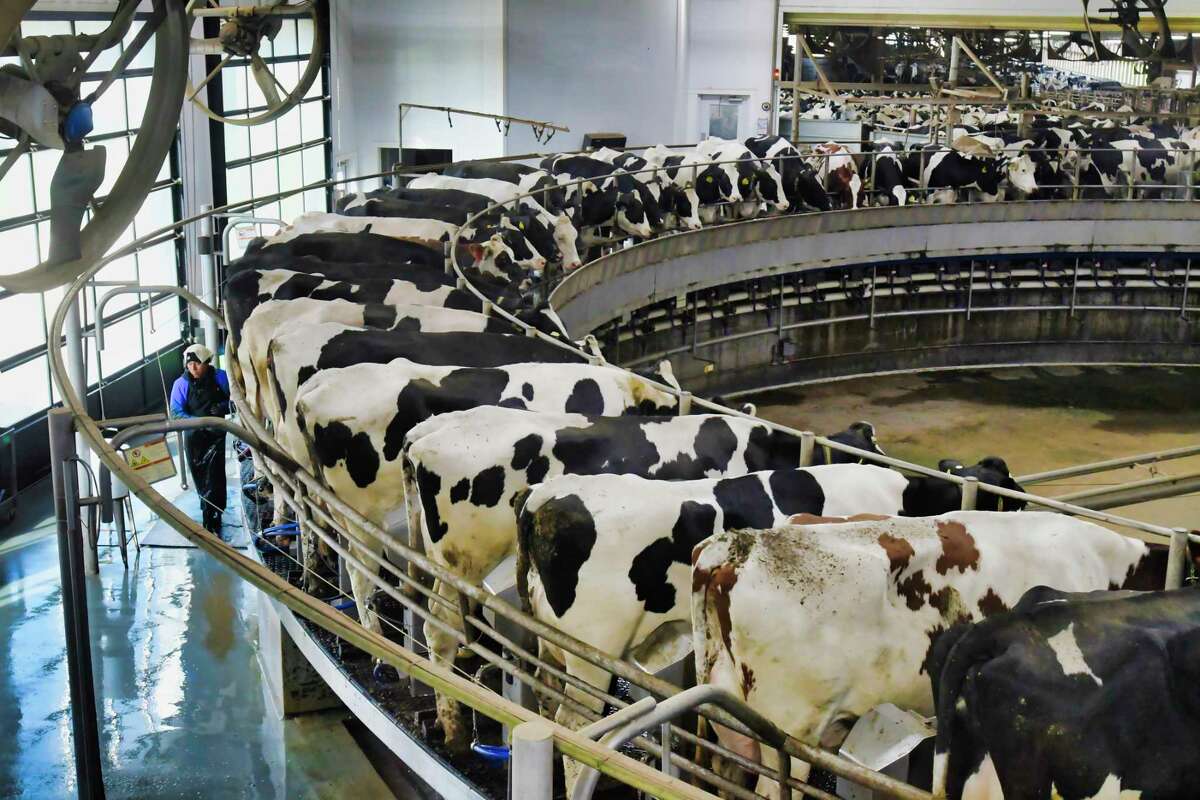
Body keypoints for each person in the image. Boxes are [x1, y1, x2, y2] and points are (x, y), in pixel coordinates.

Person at [169, 344, 231, 534]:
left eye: (197, 364)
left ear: (206, 363)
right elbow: (176, 413)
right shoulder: (181, 384)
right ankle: (207, 512)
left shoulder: (220, 377)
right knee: (201, 477)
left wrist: (223, 407)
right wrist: (200, 421)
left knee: (217, 475)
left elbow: (237, 400)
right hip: (194, 437)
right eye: (189, 365)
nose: (193, 368)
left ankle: (218, 511)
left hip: (217, 434)